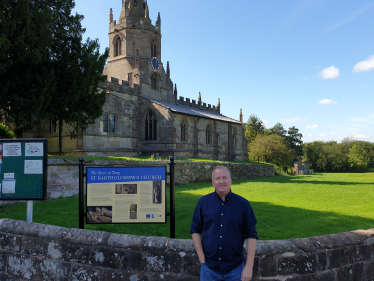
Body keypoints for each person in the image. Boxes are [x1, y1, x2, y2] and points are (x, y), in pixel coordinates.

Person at [190, 166, 258, 281]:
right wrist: (202, 259)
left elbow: (251, 234)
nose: (221, 181)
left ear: (230, 181)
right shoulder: (203, 202)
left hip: (236, 270)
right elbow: (195, 229)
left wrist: (249, 267)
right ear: (213, 182)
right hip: (209, 270)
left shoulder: (243, 204)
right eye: (217, 178)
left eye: (224, 178)